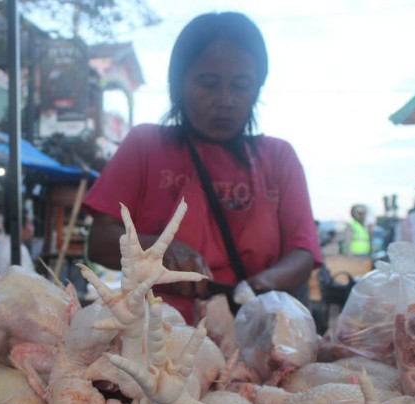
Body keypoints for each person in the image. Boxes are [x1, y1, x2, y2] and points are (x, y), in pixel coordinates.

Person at [82, 11, 322, 324]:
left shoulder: (278, 157)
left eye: (241, 85)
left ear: (257, 89)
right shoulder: (145, 145)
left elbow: (303, 254)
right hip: (155, 339)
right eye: (208, 84)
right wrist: (156, 247)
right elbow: (99, 241)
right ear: (179, 83)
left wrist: (257, 288)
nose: (225, 100)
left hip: (255, 333)